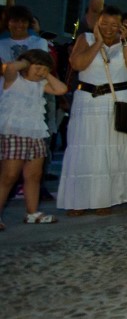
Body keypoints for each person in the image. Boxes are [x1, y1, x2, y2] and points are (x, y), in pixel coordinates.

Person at [55, 5, 127, 214]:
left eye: (114, 24)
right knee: (84, 151)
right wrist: (98, 42)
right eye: (104, 24)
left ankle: (106, 199)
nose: (109, 28)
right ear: (97, 23)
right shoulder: (86, 39)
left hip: (117, 102)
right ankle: (78, 200)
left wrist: (125, 41)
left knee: (112, 152)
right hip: (89, 101)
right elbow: (77, 64)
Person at [0, 50, 69, 229]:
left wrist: (46, 73)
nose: (40, 72)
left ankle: (32, 212)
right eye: (37, 68)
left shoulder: (41, 84)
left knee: (34, 175)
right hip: (14, 132)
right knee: (9, 176)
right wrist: (26, 62)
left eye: (45, 69)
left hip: (36, 132)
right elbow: (9, 68)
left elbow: (61, 89)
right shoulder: (13, 80)